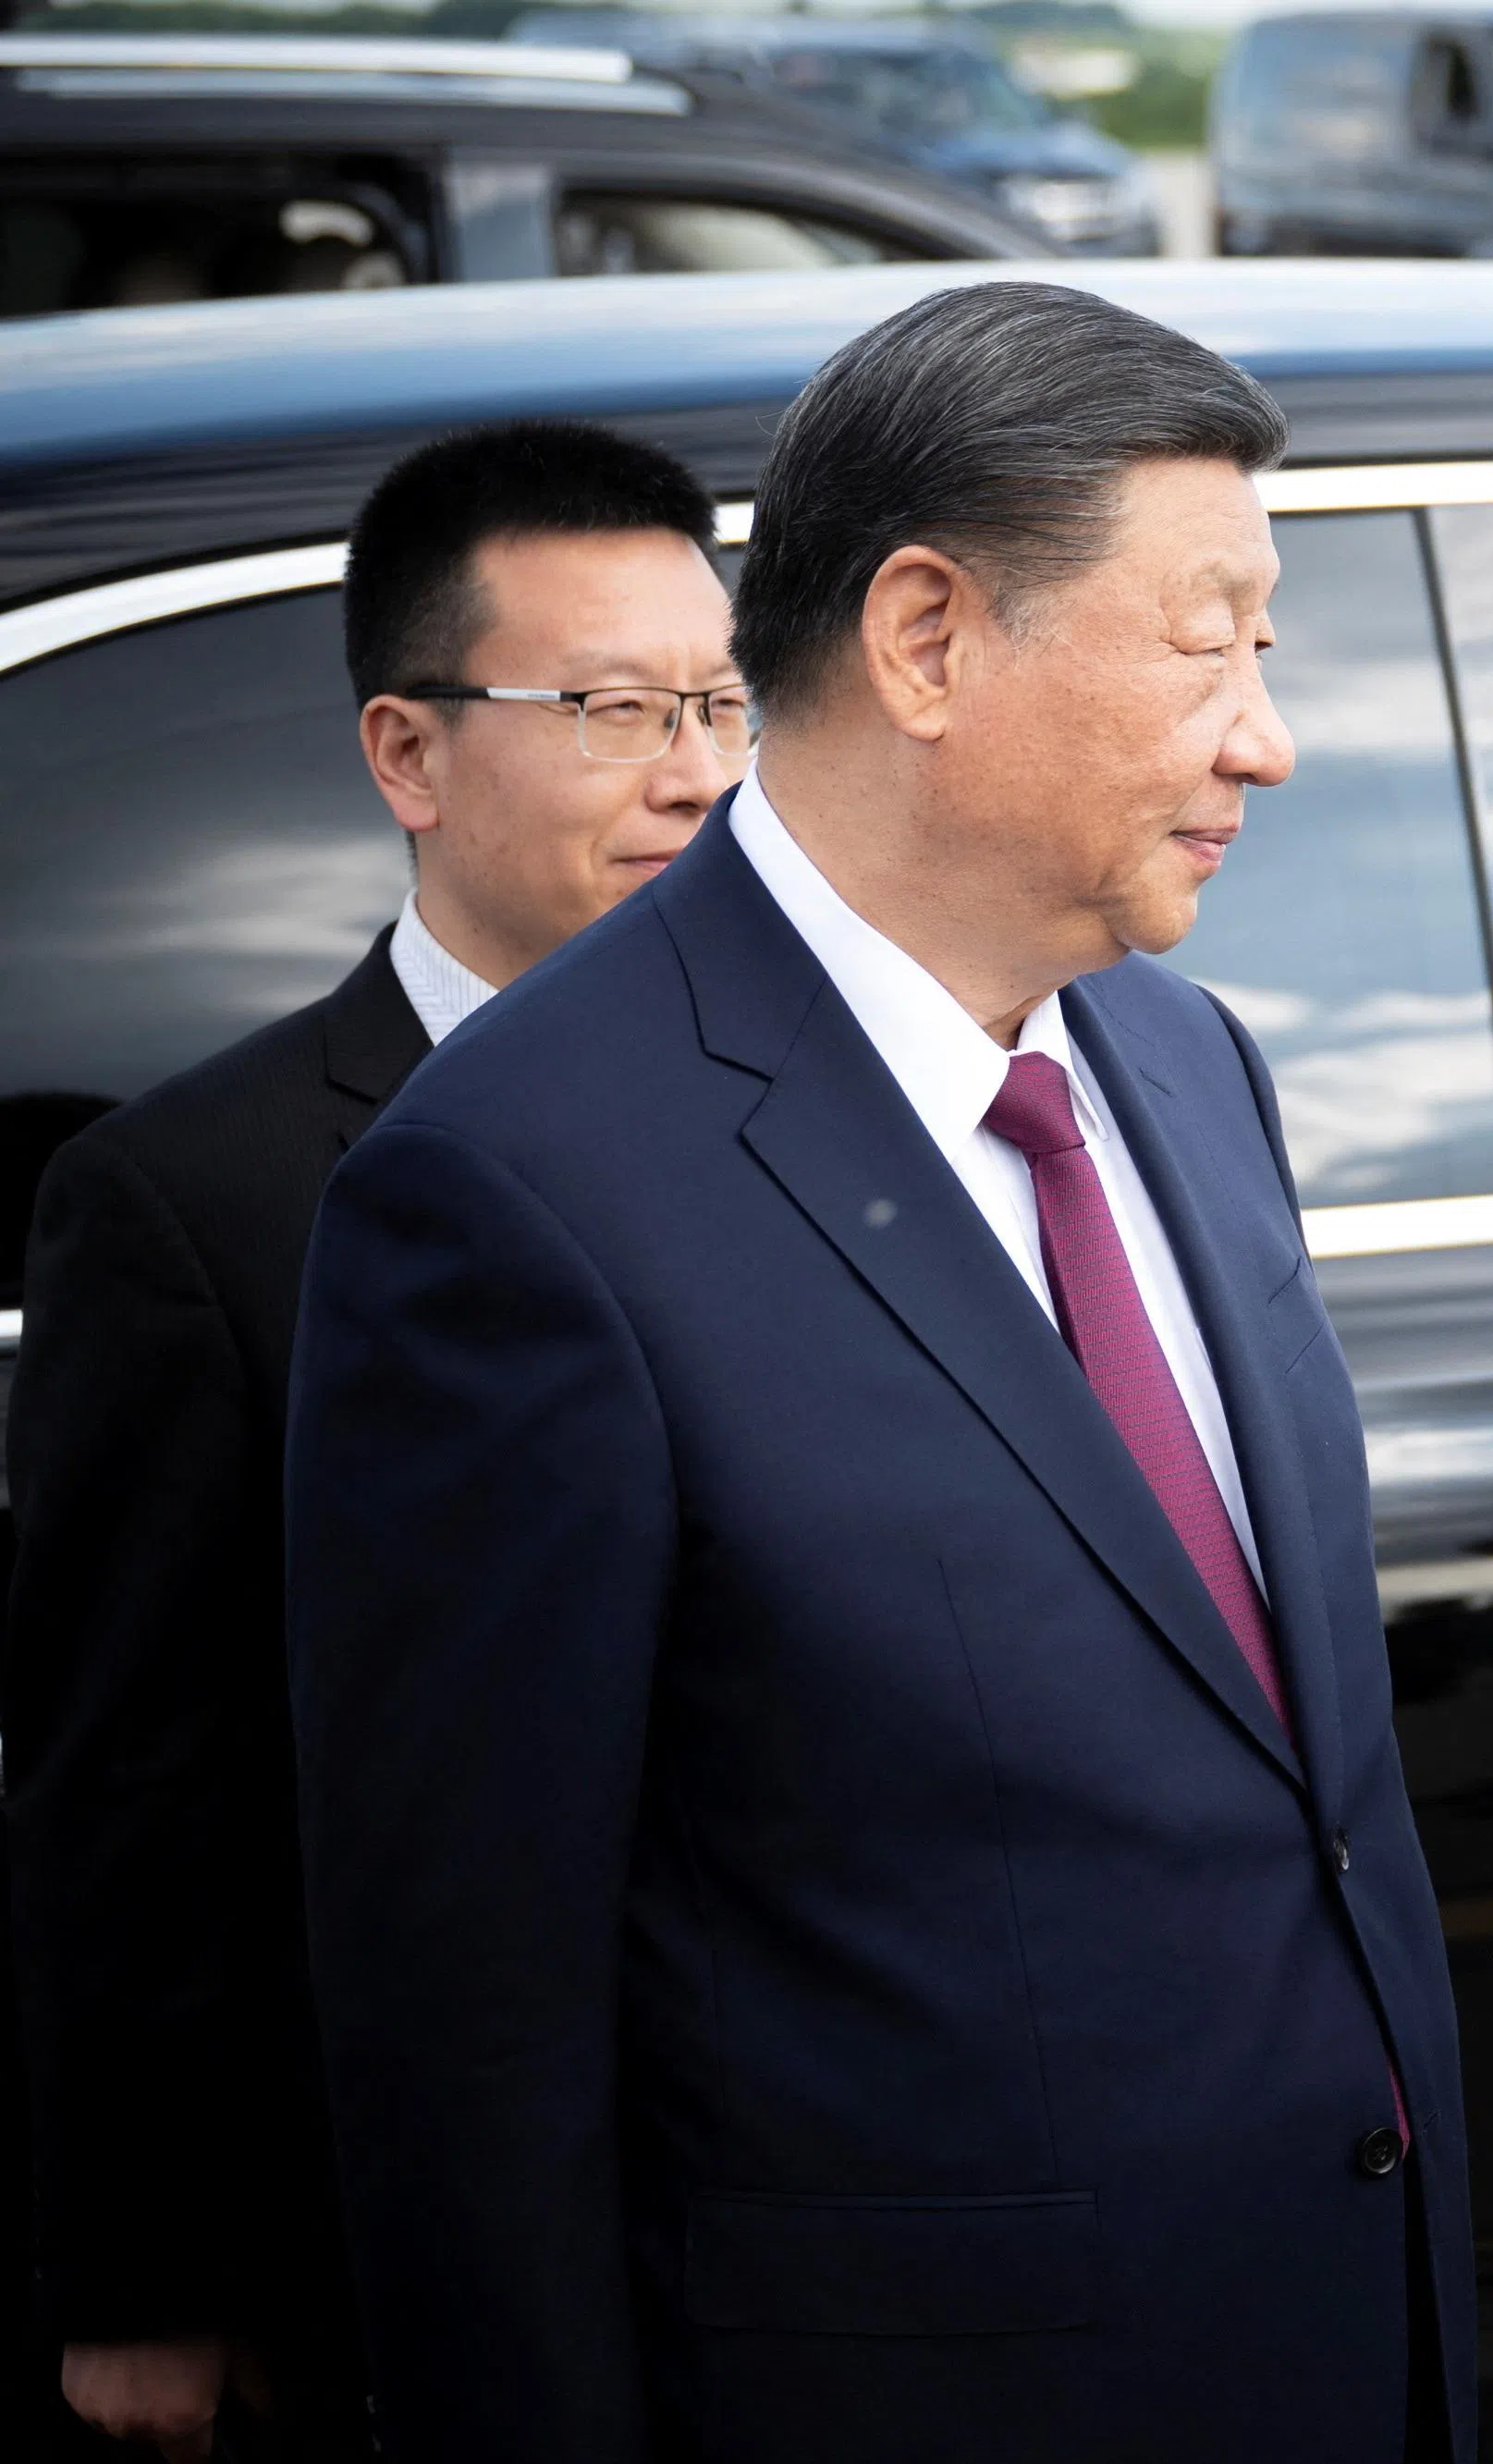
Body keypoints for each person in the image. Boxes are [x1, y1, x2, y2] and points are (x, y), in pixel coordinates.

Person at [284, 281, 1472, 2464]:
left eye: (1265, 649)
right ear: (926, 639)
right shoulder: (516, 1194)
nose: (1263, 735)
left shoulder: (1185, 1065)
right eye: (1204, 639)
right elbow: (474, 2048)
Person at [4, 421, 737, 2463]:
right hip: (406, 2244)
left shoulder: (812, 1117)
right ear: (407, 755)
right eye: (606, 710)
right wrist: (145, 2281)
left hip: (786, 2195)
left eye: (717, 701)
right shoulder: (197, 1196)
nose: (694, 772)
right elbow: (133, 1776)